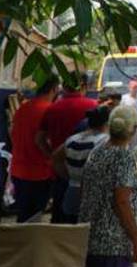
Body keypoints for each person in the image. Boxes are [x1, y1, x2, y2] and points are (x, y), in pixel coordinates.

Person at [79, 105, 137, 267]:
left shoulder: (97, 152)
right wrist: (136, 238)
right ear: (133, 130)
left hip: (88, 239)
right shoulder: (124, 156)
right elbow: (121, 201)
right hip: (112, 245)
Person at [40, 73, 98, 223]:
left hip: (60, 172)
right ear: (84, 86)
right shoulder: (93, 107)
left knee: (60, 217)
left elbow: (39, 139)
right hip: (86, 174)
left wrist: (52, 156)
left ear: (64, 87)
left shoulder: (52, 109)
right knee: (83, 220)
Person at [50, 105, 112, 225]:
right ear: (108, 123)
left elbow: (55, 158)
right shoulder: (105, 141)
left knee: (73, 233)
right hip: (94, 196)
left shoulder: (73, 139)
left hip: (72, 193)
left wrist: (69, 176)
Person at [9, 76, 59, 223]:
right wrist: (52, 157)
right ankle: (26, 244)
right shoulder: (49, 110)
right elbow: (43, 140)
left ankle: (19, 243)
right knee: (34, 216)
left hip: (18, 169)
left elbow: (12, 133)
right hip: (39, 172)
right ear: (54, 89)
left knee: (23, 213)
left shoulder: (23, 108)